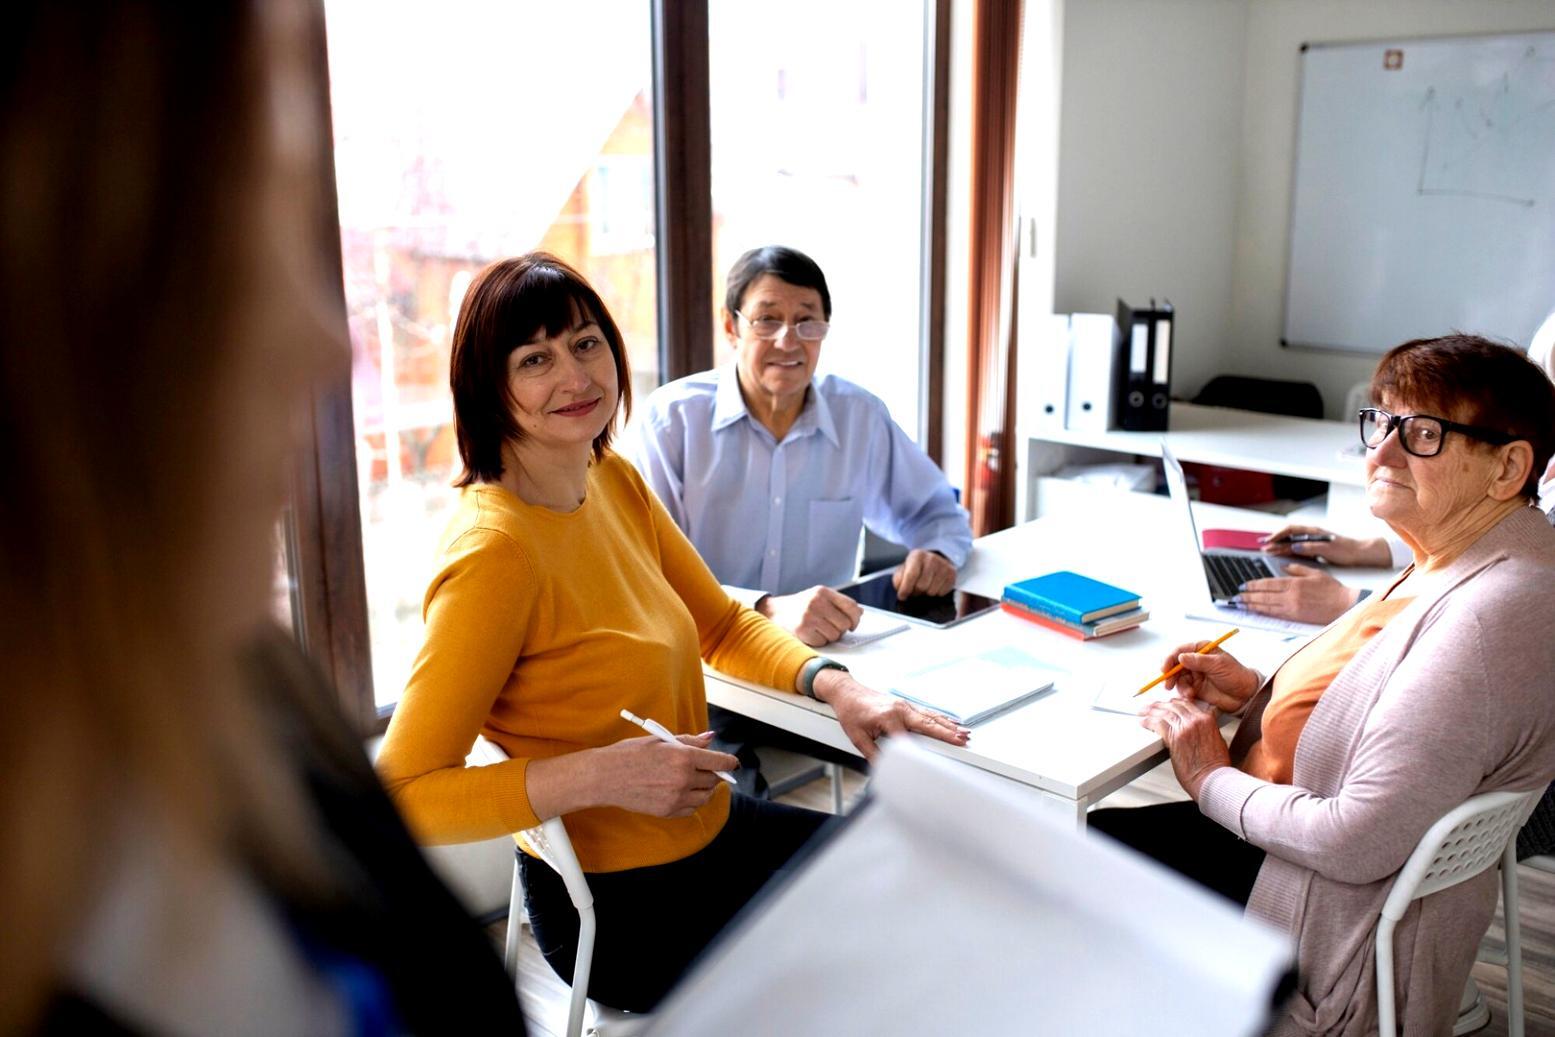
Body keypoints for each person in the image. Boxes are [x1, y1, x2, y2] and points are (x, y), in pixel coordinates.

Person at [0, 3, 524, 1033]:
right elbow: (424, 775)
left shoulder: (253, 687)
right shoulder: (493, 545)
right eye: (230, 230)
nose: (327, 348)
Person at [374, 252, 968, 1013]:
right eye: (535, 359)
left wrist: (840, 688)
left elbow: (719, 621)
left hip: (712, 831)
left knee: (922, 879)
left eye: (586, 343)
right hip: (625, 910)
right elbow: (405, 791)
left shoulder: (610, 478)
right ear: (487, 387)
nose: (575, 377)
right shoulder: (496, 553)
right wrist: (603, 774)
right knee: (884, 954)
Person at [1090, 334, 1555, 1035]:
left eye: (1422, 433)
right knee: (1085, 841)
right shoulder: (1467, 554)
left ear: (1506, 466)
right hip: (1295, 846)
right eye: (1382, 422)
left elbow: (1354, 840)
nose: (1382, 453)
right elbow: (1390, 712)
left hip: (1311, 910)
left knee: (1067, 860)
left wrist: (1207, 775)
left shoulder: (1488, 616)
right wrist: (1255, 695)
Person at [625, 245, 972, 794]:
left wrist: (936, 552)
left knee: (941, 772)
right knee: (730, 818)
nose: (788, 341)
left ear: (824, 330)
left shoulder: (859, 415)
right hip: (705, 678)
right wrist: (761, 610)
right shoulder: (672, 421)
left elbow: (937, 514)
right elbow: (641, 576)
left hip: (828, 672)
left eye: (806, 321)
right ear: (732, 327)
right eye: (767, 319)